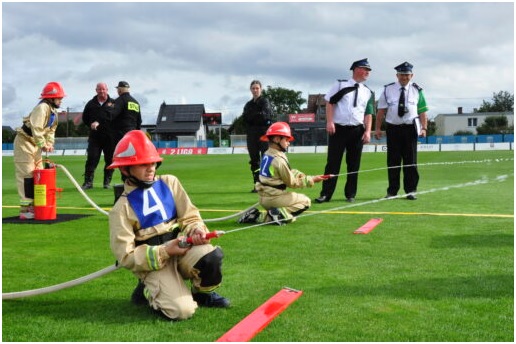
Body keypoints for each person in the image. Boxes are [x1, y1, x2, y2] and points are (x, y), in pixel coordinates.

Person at [108, 130, 230, 321]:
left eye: (153, 162)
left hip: (183, 250)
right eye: (143, 164)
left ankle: (202, 294)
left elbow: (190, 217)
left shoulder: (170, 183)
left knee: (211, 256)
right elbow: (126, 256)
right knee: (182, 311)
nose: (151, 168)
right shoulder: (121, 209)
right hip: (155, 265)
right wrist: (166, 251)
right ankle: (148, 290)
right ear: (125, 169)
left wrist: (196, 229)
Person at [238, 122, 329, 225]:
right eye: (286, 140)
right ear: (277, 139)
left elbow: (281, 173)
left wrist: (299, 174)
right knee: (306, 201)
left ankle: (259, 216)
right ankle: (270, 216)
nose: (288, 143)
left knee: (289, 214)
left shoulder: (267, 154)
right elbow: (292, 183)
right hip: (274, 199)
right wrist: (312, 179)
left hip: (264, 198)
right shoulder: (278, 160)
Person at [315, 58, 375, 204]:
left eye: (369, 70)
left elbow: (368, 113)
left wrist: (367, 131)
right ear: (356, 69)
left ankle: (350, 194)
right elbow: (330, 102)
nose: (368, 72)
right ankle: (326, 194)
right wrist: (329, 121)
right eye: (365, 69)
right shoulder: (340, 84)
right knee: (332, 164)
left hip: (357, 130)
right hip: (339, 129)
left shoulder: (368, 92)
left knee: (354, 164)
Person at [374, 62, 429, 200]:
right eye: (402, 74)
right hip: (393, 129)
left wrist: (424, 128)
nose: (404, 77)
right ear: (397, 75)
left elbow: (422, 112)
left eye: (407, 75)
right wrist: (378, 128)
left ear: (412, 75)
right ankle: (392, 191)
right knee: (393, 161)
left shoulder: (418, 90)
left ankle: (411, 190)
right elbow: (381, 111)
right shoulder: (387, 90)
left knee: (411, 161)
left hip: (411, 129)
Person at [13, 82, 66, 220]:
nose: (61, 100)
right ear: (51, 98)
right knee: (27, 176)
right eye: (59, 98)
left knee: (39, 176)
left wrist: (49, 143)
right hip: (24, 143)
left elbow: (51, 130)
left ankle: (38, 206)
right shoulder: (42, 108)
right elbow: (36, 128)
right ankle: (26, 210)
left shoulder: (53, 111)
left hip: (35, 145)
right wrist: (42, 144)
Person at [81, 82, 116, 190]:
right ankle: (88, 182)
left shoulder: (114, 103)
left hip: (109, 137)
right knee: (92, 159)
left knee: (110, 160)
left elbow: (115, 118)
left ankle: (107, 183)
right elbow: (85, 118)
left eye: (103, 89)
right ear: (96, 90)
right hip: (95, 137)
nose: (101, 91)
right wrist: (90, 124)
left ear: (107, 90)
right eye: (99, 89)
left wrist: (101, 123)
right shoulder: (91, 104)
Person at [242, 80, 274, 192]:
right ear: (250, 90)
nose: (255, 90)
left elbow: (266, 117)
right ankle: (257, 184)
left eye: (257, 88)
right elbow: (245, 118)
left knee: (266, 159)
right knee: (254, 160)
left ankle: (267, 184)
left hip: (264, 134)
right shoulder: (248, 104)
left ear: (261, 89)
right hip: (251, 134)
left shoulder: (265, 102)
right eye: (253, 88)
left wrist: (254, 117)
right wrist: (256, 116)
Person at [111, 81, 142, 147]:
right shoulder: (136, 102)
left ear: (119, 90)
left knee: (119, 156)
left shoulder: (119, 101)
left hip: (120, 136)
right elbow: (139, 121)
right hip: (133, 135)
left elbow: (112, 115)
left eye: (117, 89)